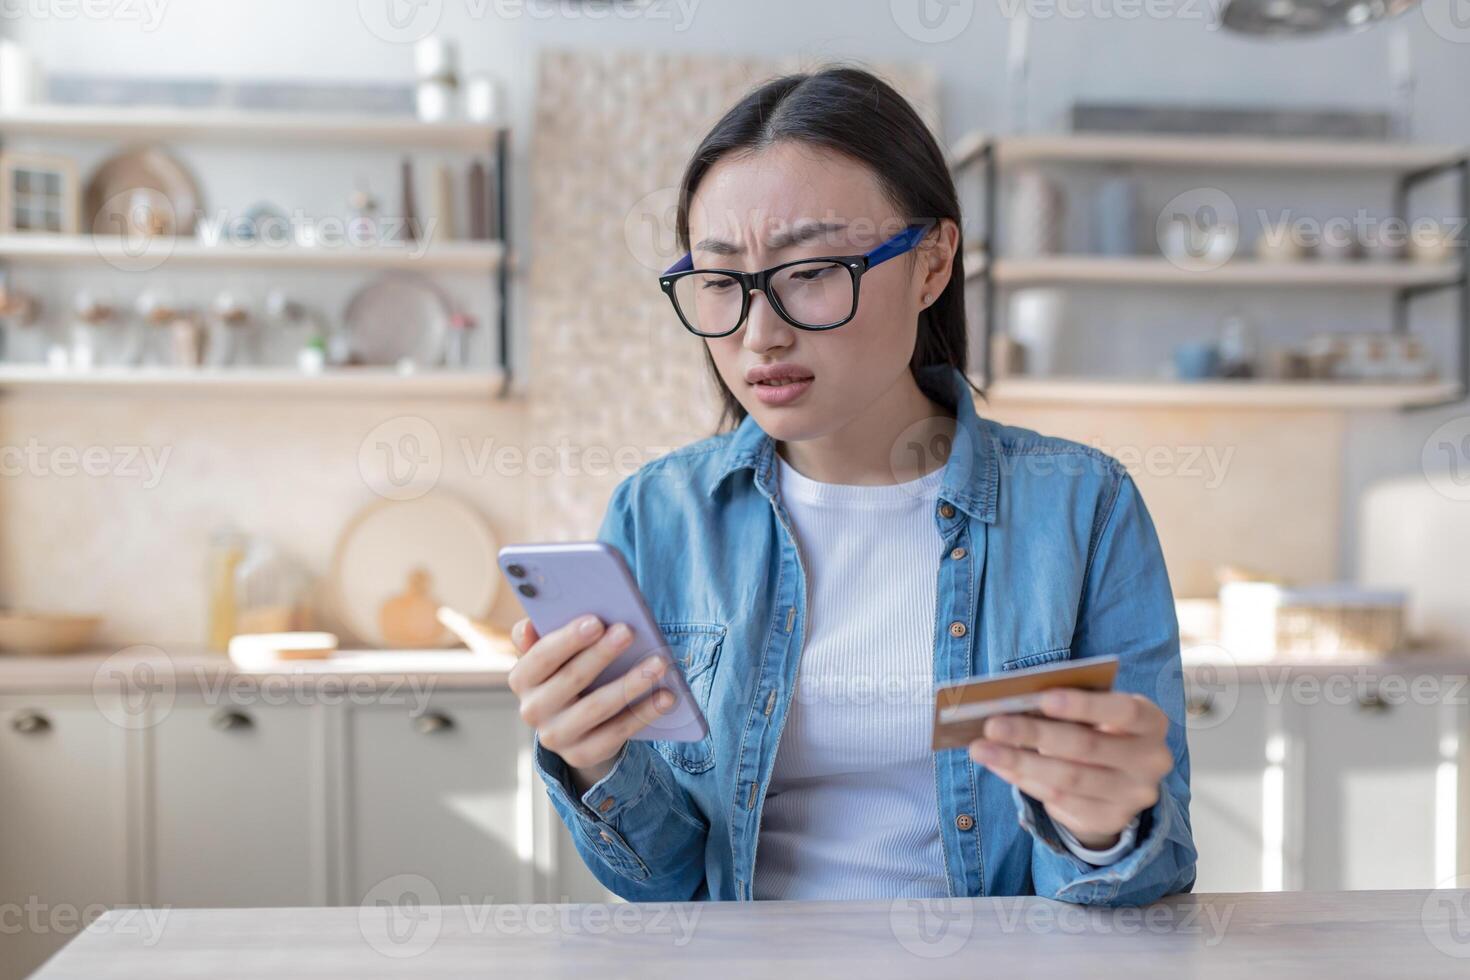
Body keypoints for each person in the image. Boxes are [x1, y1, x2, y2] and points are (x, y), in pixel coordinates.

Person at [508, 65, 1196, 905]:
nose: (760, 334)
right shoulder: (659, 517)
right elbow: (663, 886)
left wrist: (1102, 828)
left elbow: (1155, 874)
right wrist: (595, 761)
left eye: (813, 271)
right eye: (722, 282)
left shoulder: (1082, 507)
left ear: (933, 263)